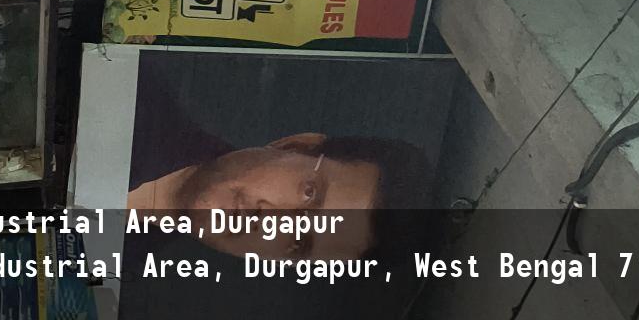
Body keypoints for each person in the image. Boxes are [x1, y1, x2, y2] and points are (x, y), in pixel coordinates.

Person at [129, 128, 422, 259]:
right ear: (295, 145)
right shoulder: (132, 94)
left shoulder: (116, 270)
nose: (272, 222)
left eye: (299, 242)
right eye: (309, 193)